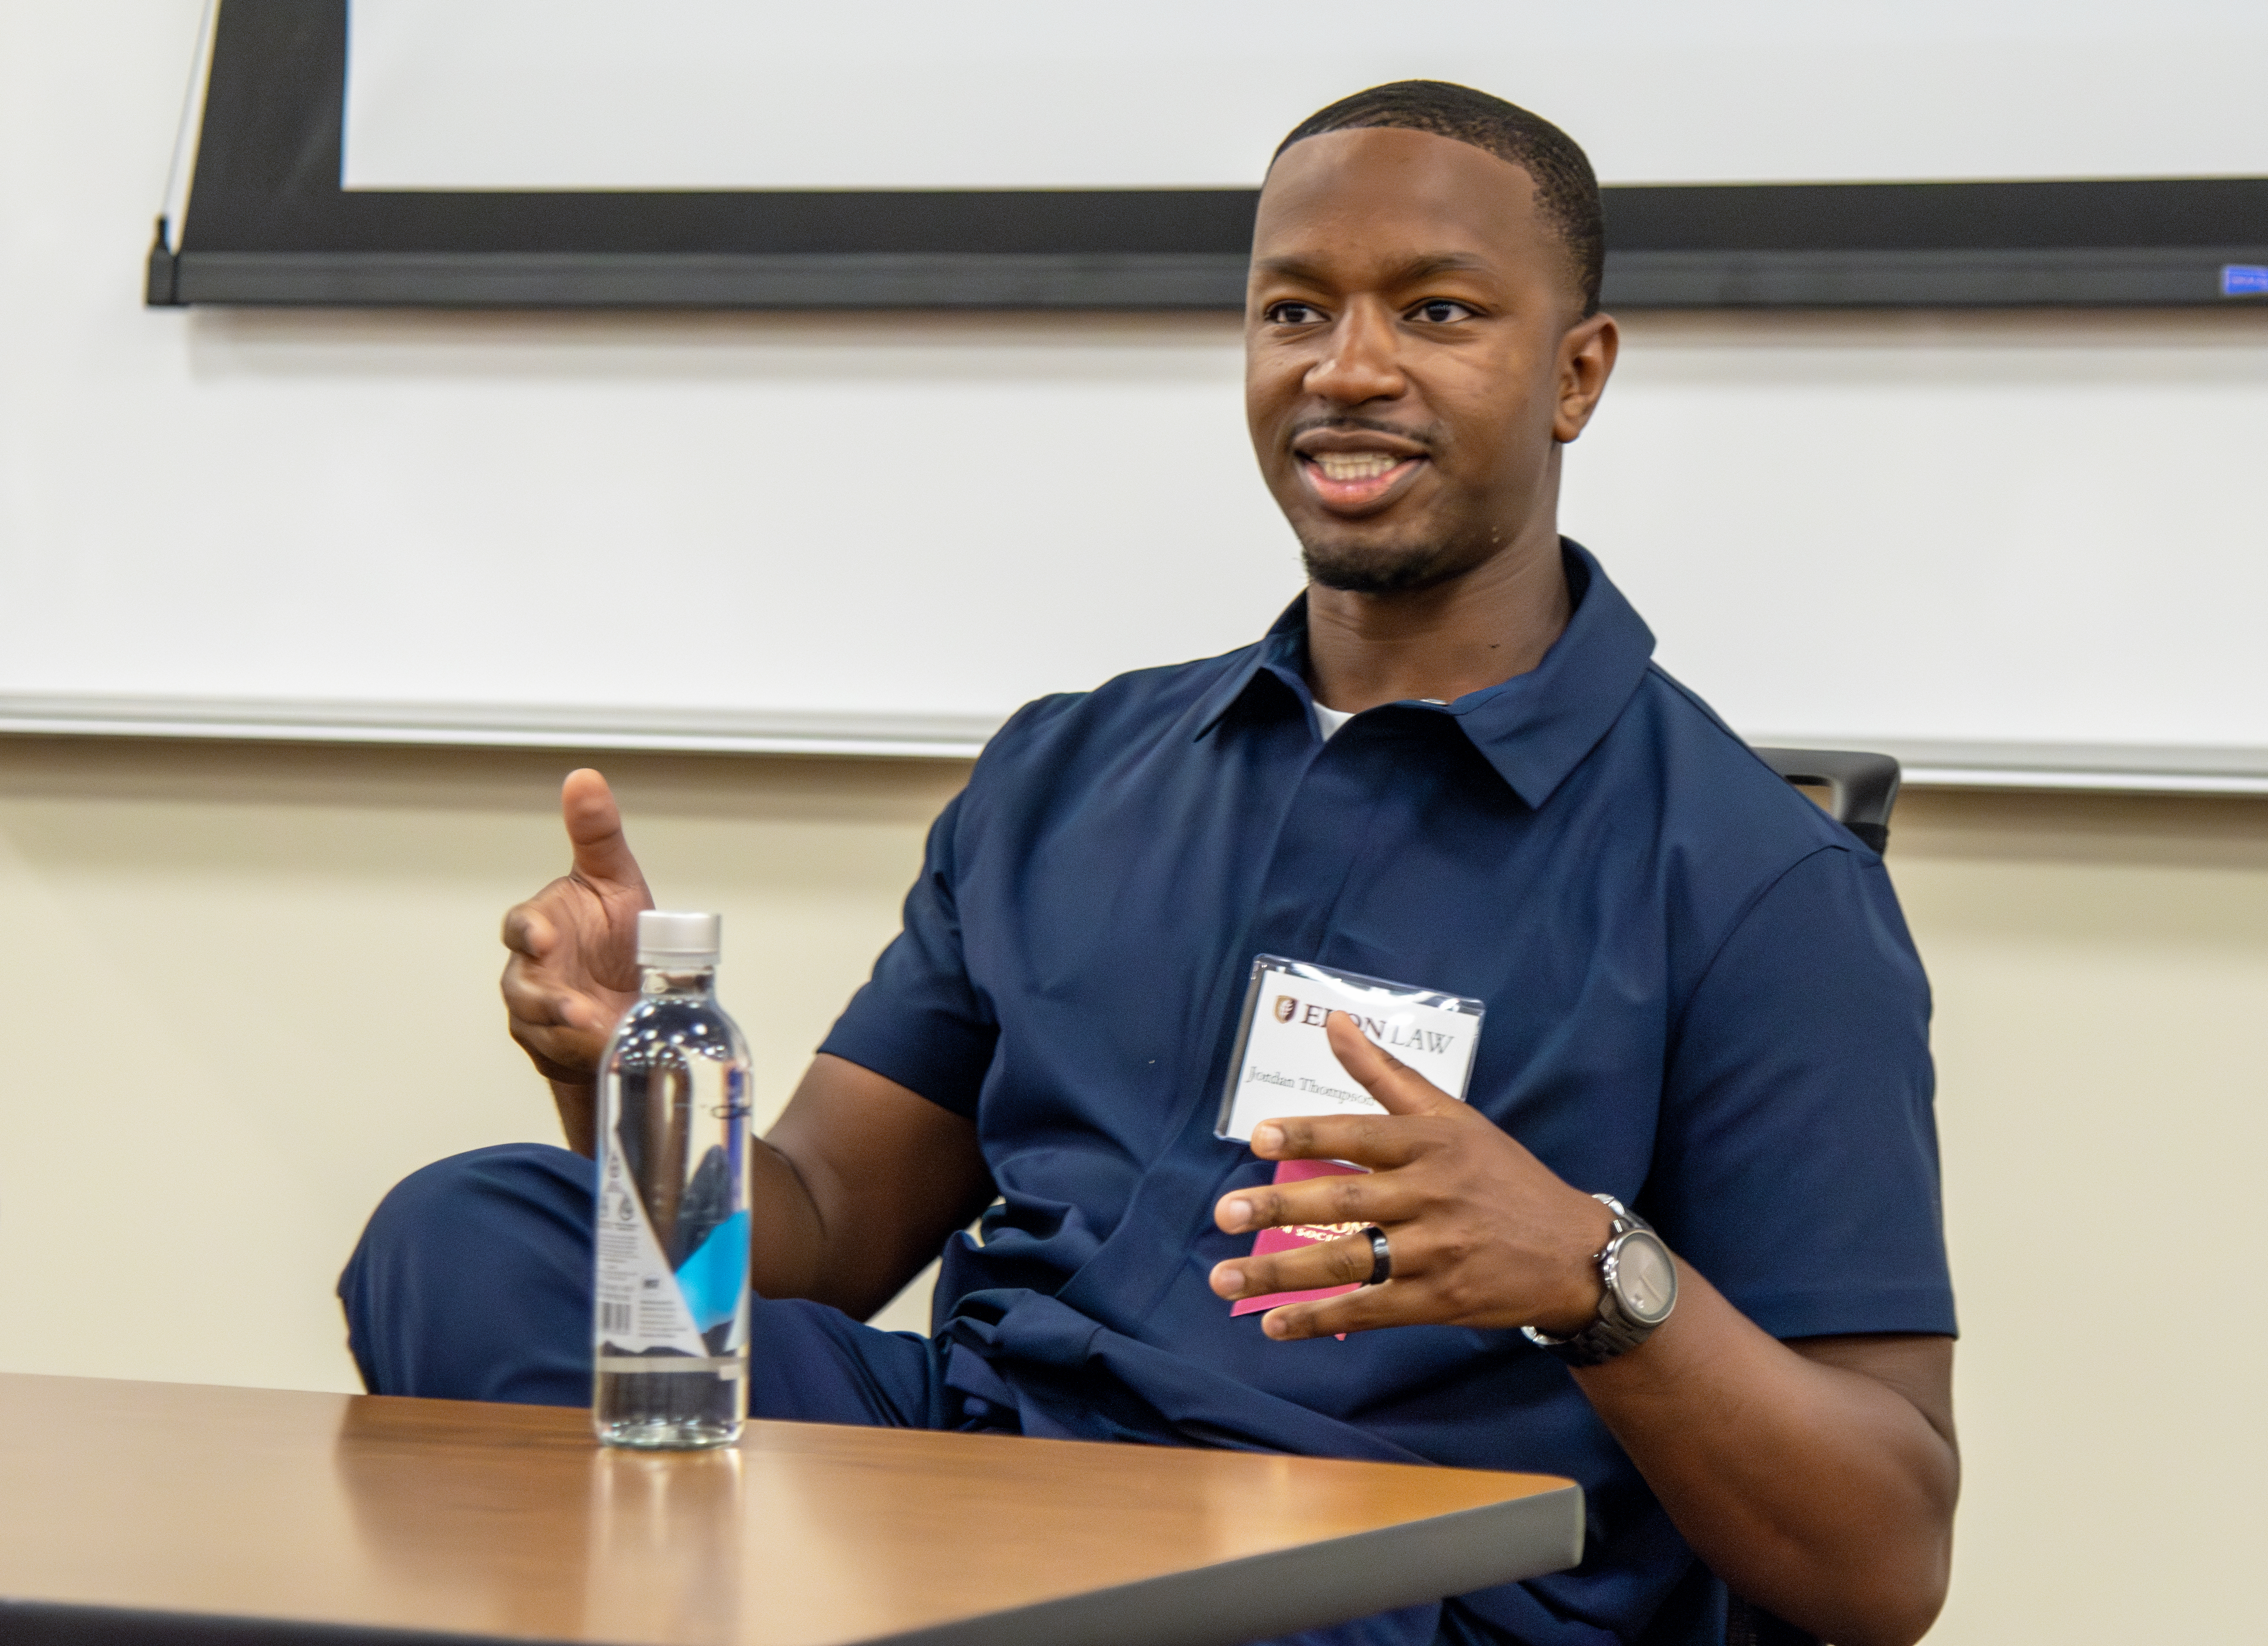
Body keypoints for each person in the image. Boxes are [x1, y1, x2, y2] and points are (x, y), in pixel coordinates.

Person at [340, 81, 1957, 1646]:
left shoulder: (1754, 882)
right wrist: (639, 1075)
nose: (1350, 368)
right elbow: (822, 1226)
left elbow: (1883, 1560)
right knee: (468, 1233)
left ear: (1577, 375)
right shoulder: (1071, 771)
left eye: (1441, 314)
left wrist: (1591, 1270)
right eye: (1294, 311)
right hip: (983, 1477)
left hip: (1355, 1569)